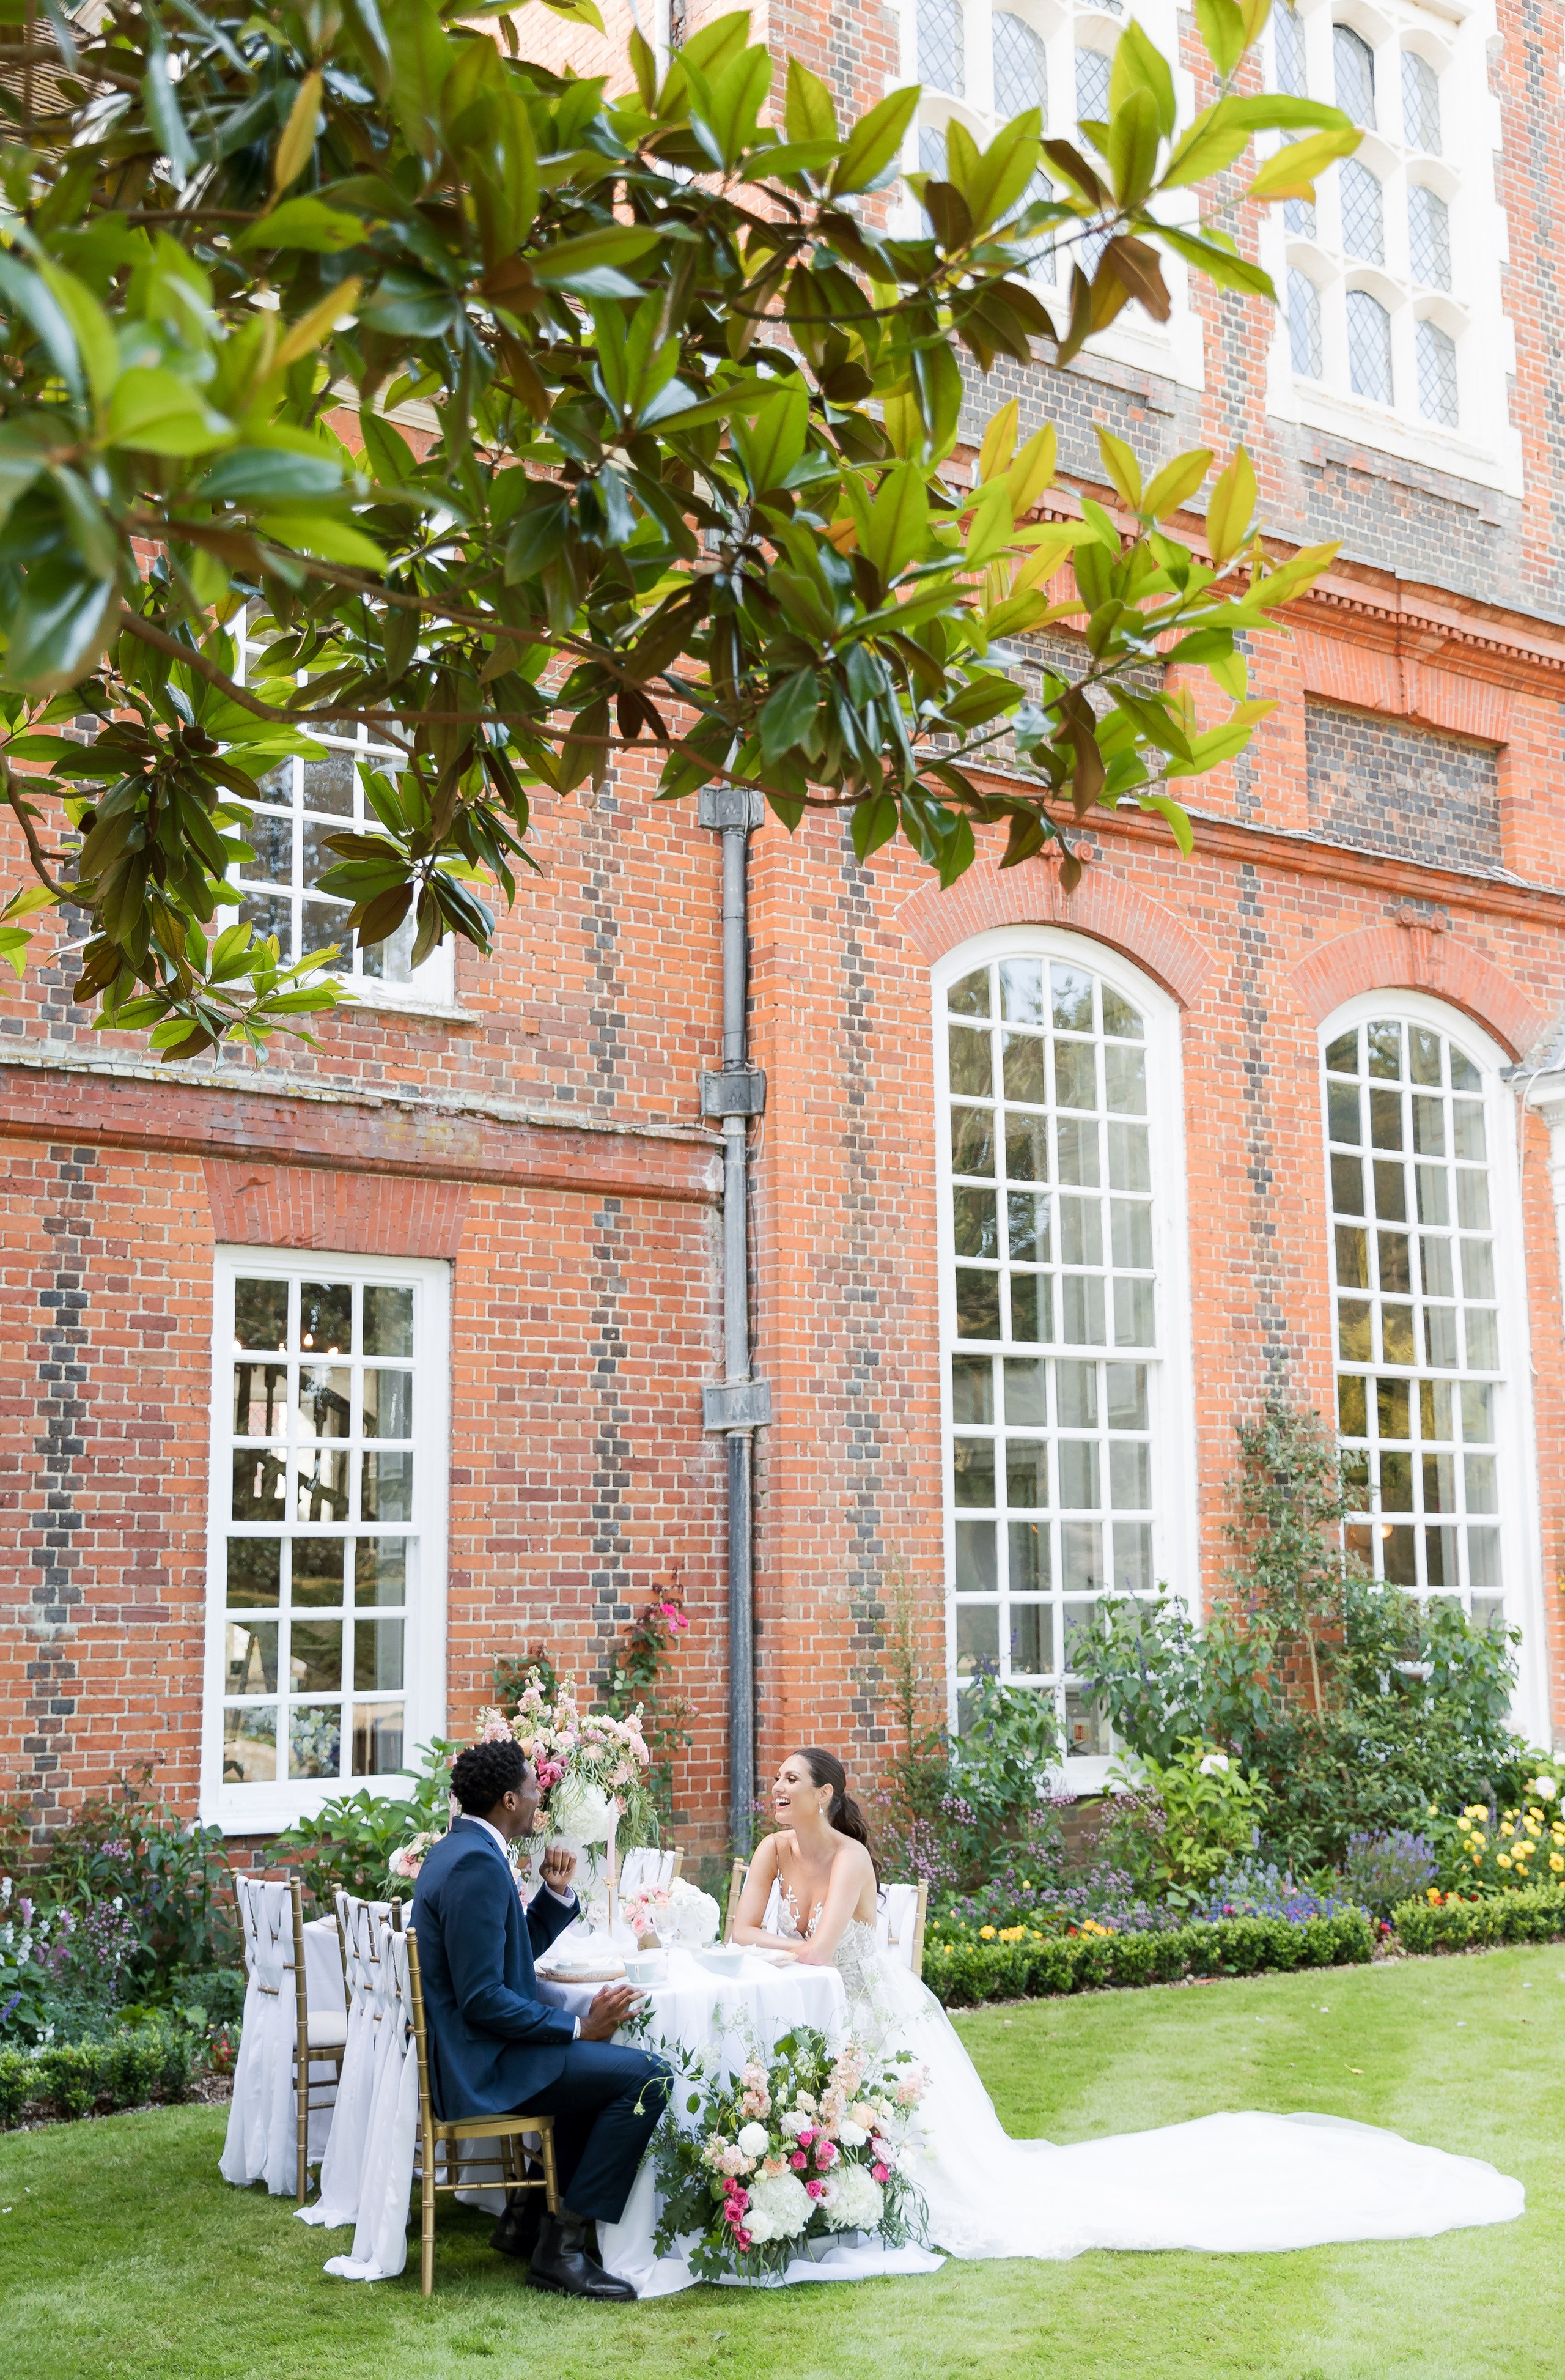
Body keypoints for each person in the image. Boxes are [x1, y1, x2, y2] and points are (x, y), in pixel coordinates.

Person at [732, 1745, 1525, 2259]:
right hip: (824, 2007)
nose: (776, 1787)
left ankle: (865, 2191)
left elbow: (815, 1952)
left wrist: (769, 1946)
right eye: (776, 1780)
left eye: (791, 1780)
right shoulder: (772, 1848)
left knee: (967, 2171)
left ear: (827, 1796)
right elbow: (741, 1928)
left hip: (879, 2012)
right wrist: (769, 1945)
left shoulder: (851, 1861)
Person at [410, 1737, 672, 2300]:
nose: (539, 1802)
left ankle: (528, 2221)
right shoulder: (477, 1866)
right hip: (483, 2067)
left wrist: (552, 1898)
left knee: (599, 2077)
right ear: (508, 1798)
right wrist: (579, 2028)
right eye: (534, 1790)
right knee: (647, 2077)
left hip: (477, 2053)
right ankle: (565, 2249)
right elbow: (484, 1998)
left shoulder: (459, 1851)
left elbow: (499, 1961)